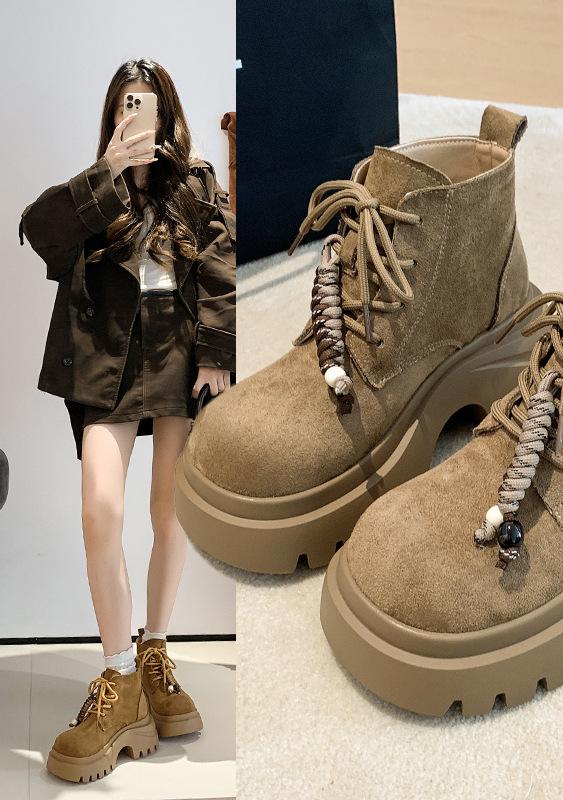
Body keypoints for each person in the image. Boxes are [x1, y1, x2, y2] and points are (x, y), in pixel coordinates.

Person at [20, 58, 235, 783]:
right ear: (112, 116)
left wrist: (217, 354)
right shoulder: (93, 192)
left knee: (171, 513)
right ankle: (119, 679)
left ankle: (154, 654)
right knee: (100, 511)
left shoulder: (195, 184)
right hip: (109, 360)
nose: (132, 115)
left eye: (144, 104)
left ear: (166, 113)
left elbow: (220, 261)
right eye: (123, 105)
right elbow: (38, 232)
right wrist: (105, 172)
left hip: (179, 357)